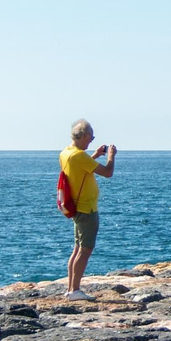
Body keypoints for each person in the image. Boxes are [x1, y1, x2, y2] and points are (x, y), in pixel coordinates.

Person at [60, 119, 116, 301]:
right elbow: (107, 173)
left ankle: (71, 289)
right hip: (86, 208)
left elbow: (81, 168)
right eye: (91, 137)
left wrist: (95, 155)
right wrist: (111, 156)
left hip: (77, 207)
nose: (91, 140)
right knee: (85, 250)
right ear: (84, 136)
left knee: (77, 249)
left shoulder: (67, 153)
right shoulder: (79, 156)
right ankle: (75, 290)